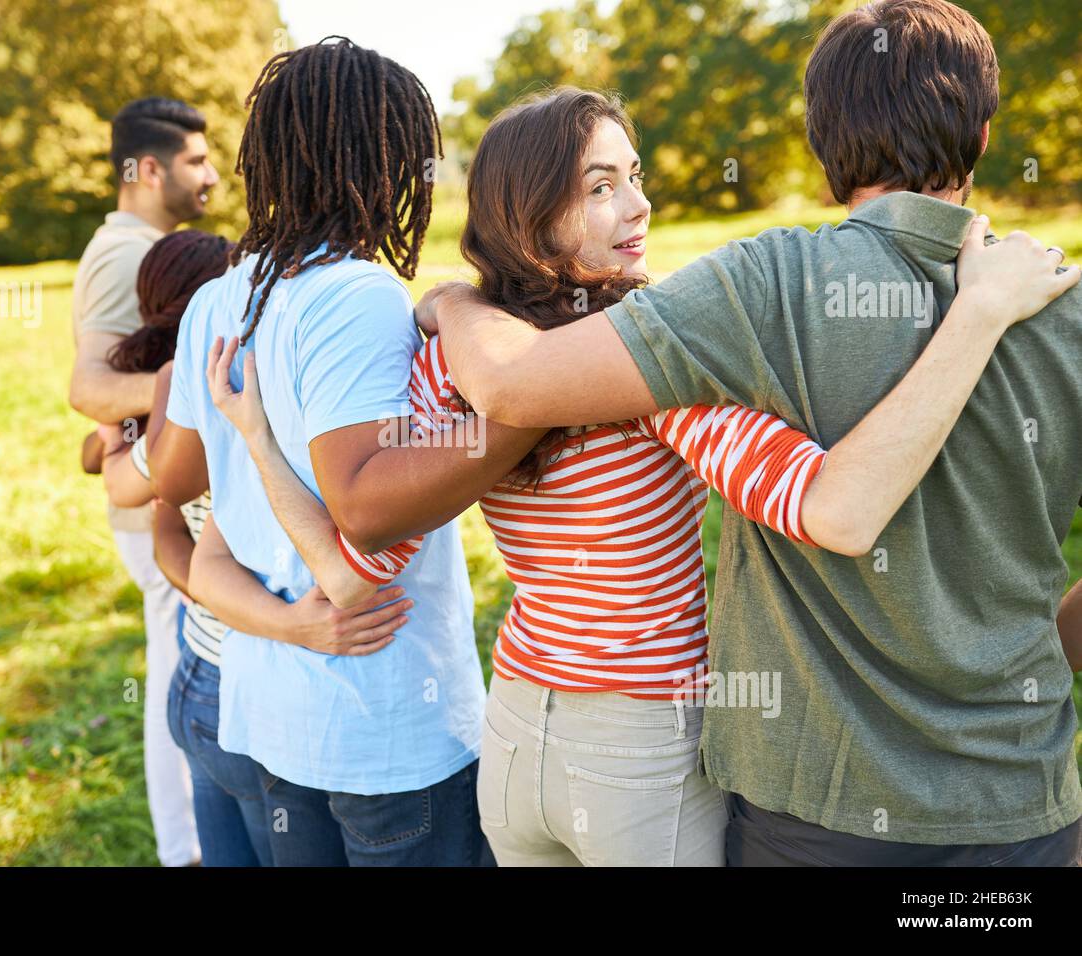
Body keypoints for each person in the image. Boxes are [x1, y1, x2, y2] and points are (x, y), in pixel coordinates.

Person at [206, 86, 1073, 866]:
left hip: (514, 740)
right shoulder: (655, 376)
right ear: (532, 214)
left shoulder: (445, 367)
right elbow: (824, 504)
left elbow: (344, 575)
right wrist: (978, 311)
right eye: (600, 187)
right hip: (637, 752)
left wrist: (258, 439)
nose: (641, 204)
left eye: (636, 176)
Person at [419, 0, 1082, 865]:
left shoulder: (760, 285)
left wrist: (453, 297)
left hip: (812, 808)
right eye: (603, 185)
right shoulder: (1064, 311)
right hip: (1018, 804)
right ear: (987, 134)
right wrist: (1030, 661)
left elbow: (505, 388)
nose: (638, 207)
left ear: (823, 139)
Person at [148, 37, 540, 866]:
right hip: (386, 727)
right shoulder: (357, 292)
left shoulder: (221, 297)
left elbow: (177, 477)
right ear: (380, 162)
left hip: (275, 712)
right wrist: (521, 413)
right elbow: (364, 506)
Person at [99, 230, 411, 865]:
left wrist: (133, 463)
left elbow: (158, 511)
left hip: (204, 664)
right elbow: (169, 502)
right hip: (238, 674)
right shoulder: (215, 384)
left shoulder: (177, 387)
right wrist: (291, 623)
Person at [68, 96, 218, 867]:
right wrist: (189, 392)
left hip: (155, 486)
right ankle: (186, 848)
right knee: (181, 675)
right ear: (148, 168)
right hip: (154, 506)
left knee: (187, 667)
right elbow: (90, 386)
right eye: (196, 160)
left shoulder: (144, 245)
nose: (212, 175)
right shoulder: (124, 251)